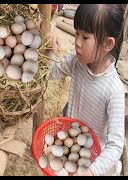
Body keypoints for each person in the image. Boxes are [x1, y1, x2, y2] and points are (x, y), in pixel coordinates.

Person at [46, 4, 125, 176]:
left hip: (93, 161)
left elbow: (116, 145)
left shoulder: (114, 91)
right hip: (70, 146)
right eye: (76, 34)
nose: (77, 42)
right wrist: (49, 50)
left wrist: (90, 172)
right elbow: (50, 72)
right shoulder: (76, 62)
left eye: (85, 37)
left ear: (108, 44)